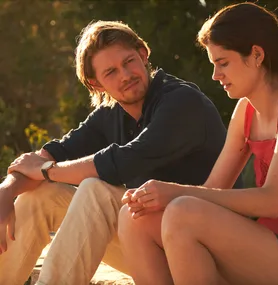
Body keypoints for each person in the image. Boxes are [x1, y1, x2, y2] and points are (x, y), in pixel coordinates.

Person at [0, 20, 241, 285]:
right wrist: (7, 191)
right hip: (149, 246)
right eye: (111, 72)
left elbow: (125, 161)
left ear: (143, 54)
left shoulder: (181, 101)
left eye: (128, 62)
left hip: (207, 254)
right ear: (96, 84)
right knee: (40, 195)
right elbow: (50, 155)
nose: (125, 75)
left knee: (96, 190)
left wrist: (47, 171)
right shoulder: (110, 114)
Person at [118, 3, 278, 285]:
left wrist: (174, 193)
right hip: (267, 243)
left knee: (182, 211)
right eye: (213, 65)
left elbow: (271, 201)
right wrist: (155, 197)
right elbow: (213, 190)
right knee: (134, 217)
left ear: (257, 55)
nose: (216, 75)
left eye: (223, 63)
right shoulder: (245, 111)